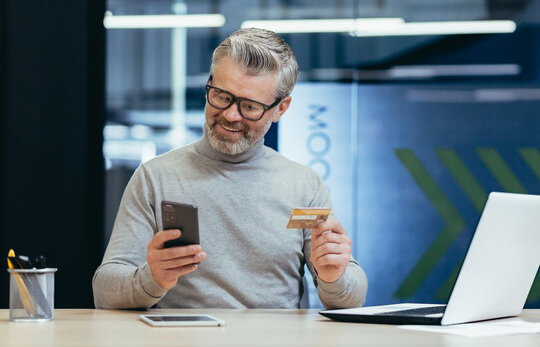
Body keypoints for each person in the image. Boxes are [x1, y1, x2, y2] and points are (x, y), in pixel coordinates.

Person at [93, 28, 367, 309]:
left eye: (249, 106)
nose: (230, 115)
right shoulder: (155, 178)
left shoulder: (302, 184)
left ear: (280, 109)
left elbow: (352, 295)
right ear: (209, 84)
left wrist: (334, 278)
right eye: (222, 96)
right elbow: (105, 290)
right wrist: (151, 279)